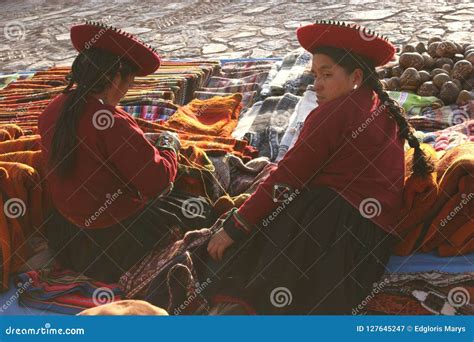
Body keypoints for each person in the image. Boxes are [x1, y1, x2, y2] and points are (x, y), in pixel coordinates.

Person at [206, 20, 435, 314]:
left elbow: (287, 176)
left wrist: (236, 227)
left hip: (336, 231)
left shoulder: (334, 113)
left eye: (326, 74)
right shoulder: (379, 107)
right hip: (371, 239)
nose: (317, 85)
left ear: (355, 76)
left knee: (261, 238)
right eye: (315, 75)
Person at [38, 21, 182, 283]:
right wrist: (170, 146)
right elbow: (158, 181)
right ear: (115, 76)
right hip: (113, 245)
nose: (128, 89)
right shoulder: (111, 121)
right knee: (196, 207)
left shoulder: (52, 109)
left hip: (66, 238)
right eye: (129, 80)